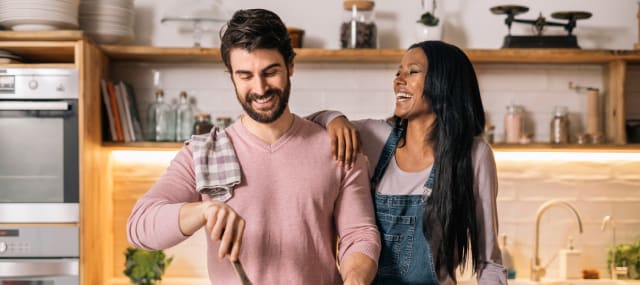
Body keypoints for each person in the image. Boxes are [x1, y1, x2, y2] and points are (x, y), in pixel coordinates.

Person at [126, 8, 381, 285]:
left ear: (291, 66)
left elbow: (359, 234)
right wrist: (203, 211)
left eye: (270, 72)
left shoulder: (336, 147)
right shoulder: (205, 154)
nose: (260, 88)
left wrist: (355, 279)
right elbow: (140, 227)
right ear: (231, 76)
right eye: (245, 76)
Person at [309, 41, 507, 284]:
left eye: (412, 72)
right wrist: (334, 118)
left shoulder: (473, 155)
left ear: (444, 82)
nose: (398, 80)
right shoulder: (375, 136)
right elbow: (305, 129)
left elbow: (489, 263)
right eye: (397, 72)